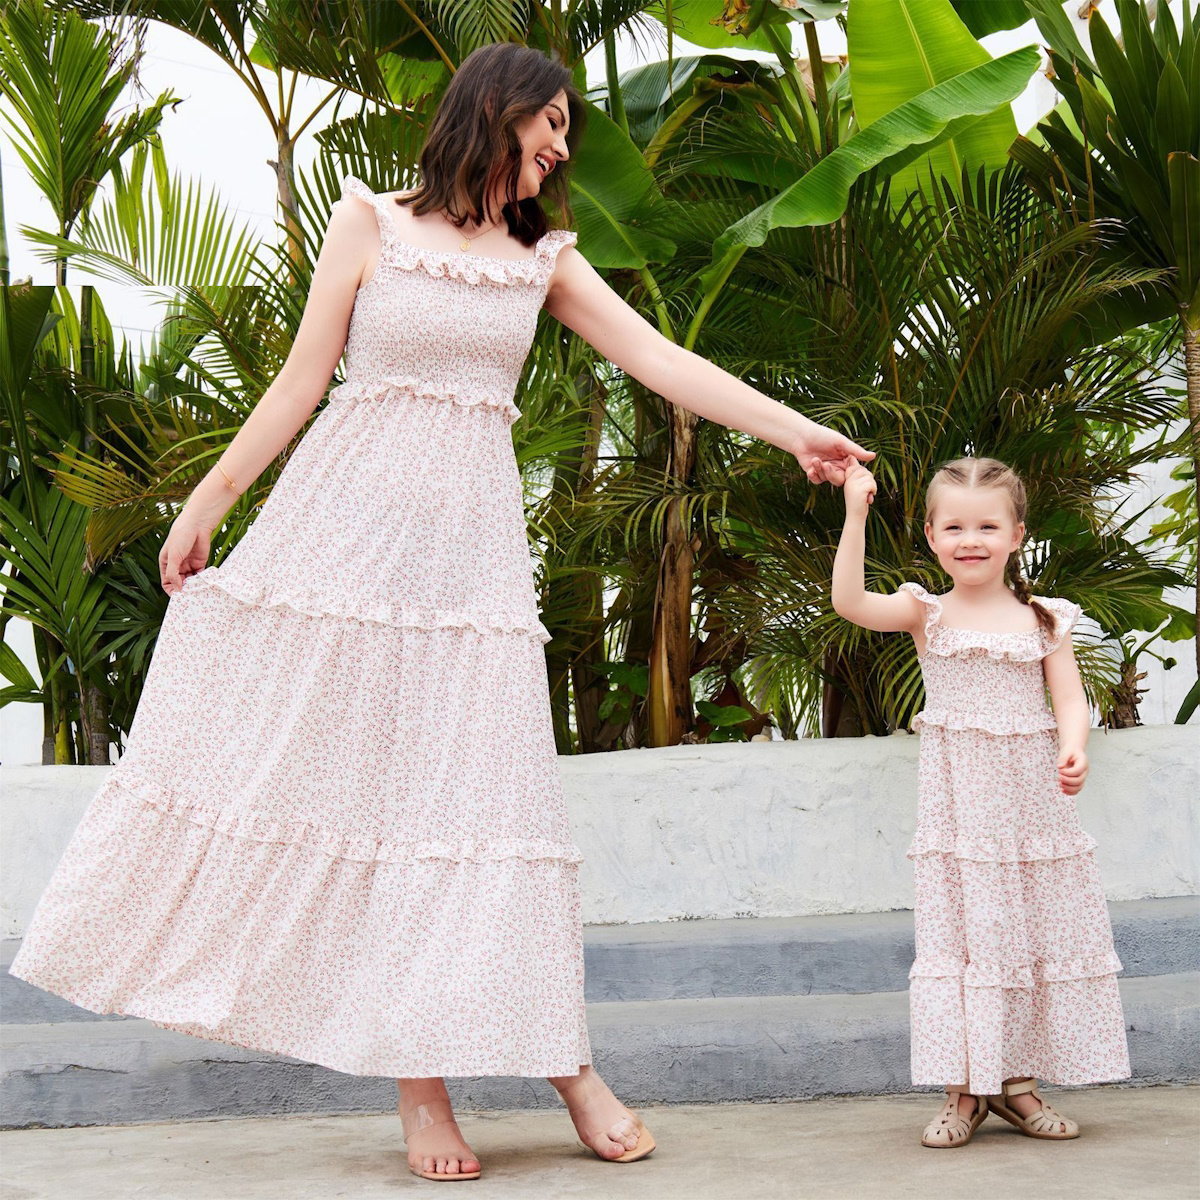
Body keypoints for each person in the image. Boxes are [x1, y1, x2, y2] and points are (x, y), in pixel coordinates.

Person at [10, 42, 872, 1183]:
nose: (563, 146)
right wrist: (208, 503)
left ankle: (570, 1063)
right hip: (344, 539)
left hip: (464, 569)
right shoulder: (369, 223)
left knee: (489, 804)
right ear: (493, 113)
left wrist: (792, 430)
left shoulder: (544, 261)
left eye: (567, 129)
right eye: (549, 123)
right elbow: (300, 381)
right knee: (371, 802)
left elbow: (662, 359)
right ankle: (424, 1096)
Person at [831, 455, 1130, 1149]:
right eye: (955, 525)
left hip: (1031, 810)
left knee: (1026, 934)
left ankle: (1019, 1085)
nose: (972, 539)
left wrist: (1076, 746)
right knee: (967, 935)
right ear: (932, 536)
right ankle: (964, 1089)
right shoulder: (925, 612)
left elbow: (1068, 699)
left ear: (1017, 534)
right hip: (960, 811)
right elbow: (850, 602)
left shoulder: (1043, 618)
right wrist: (854, 513)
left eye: (988, 525)